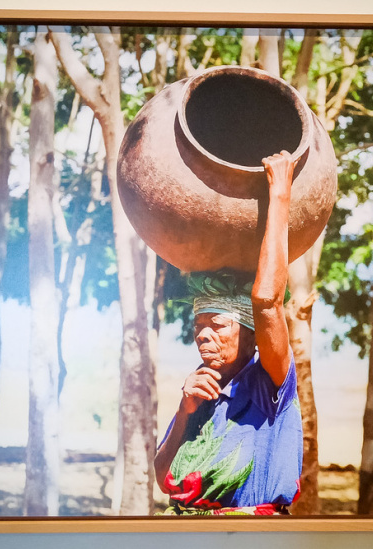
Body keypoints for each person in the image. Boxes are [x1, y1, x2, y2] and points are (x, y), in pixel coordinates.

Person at [154, 151, 302, 515]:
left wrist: (280, 194)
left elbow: (267, 301)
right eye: (198, 327)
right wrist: (184, 410)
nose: (204, 335)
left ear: (252, 335)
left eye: (218, 325)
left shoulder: (271, 386)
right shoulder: (200, 390)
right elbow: (163, 479)